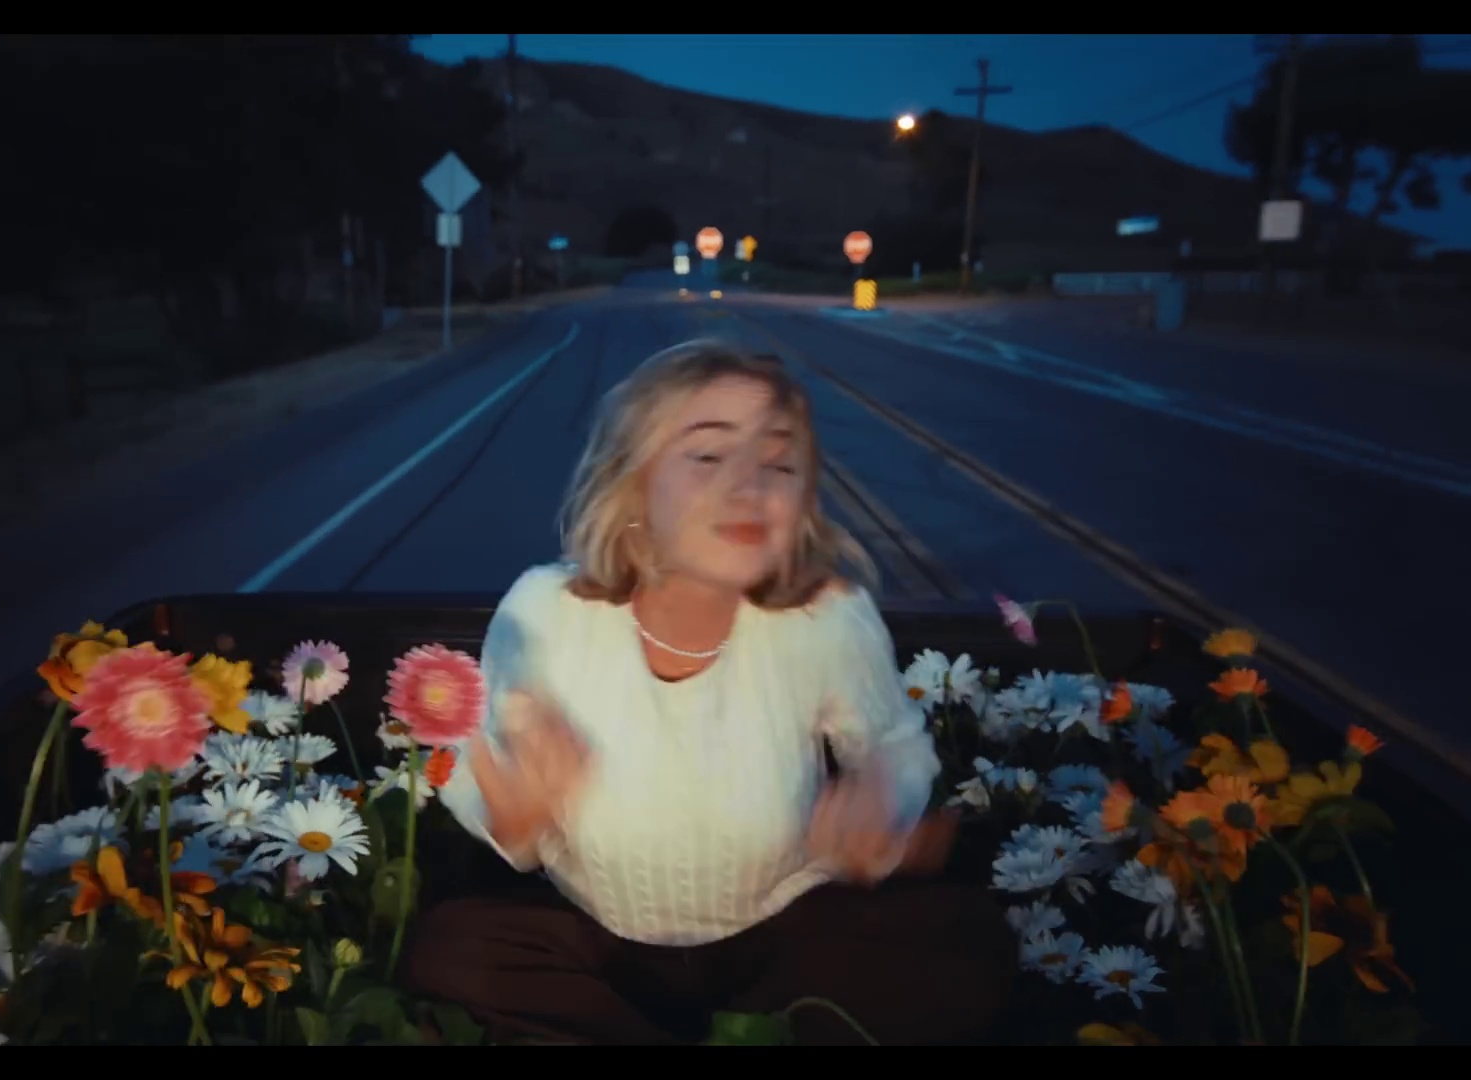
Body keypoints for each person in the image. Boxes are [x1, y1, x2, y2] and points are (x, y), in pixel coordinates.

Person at [400, 340, 1013, 1045]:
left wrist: (882, 805)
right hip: (595, 932)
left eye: (779, 463)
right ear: (634, 484)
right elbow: (481, 773)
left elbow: (894, 746)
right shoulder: (547, 612)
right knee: (454, 954)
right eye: (709, 455)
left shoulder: (826, 618)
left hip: (784, 926)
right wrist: (510, 815)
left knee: (966, 947)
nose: (749, 485)